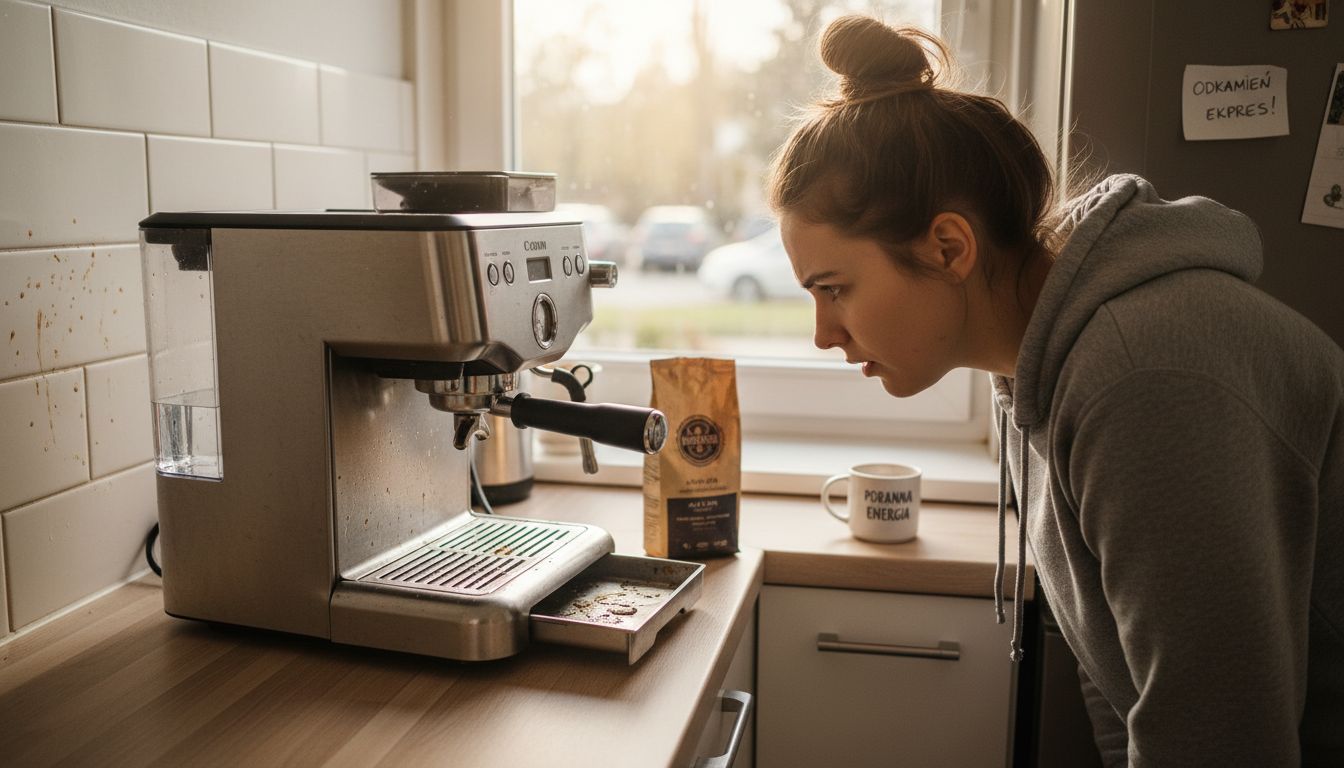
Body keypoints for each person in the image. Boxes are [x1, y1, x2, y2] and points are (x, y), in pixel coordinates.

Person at [767, 14, 1344, 767]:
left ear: (949, 248)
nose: (824, 333)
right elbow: (1125, 685)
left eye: (835, 289)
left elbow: (1221, 741)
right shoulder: (1036, 372)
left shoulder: (1143, 378)